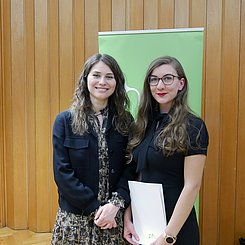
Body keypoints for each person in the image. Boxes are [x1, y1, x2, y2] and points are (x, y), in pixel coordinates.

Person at [123, 56, 209, 245]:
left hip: (176, 228)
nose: (160, 85)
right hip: (143, 227)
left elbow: (192, 186)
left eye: (167, 78)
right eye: (154, 79)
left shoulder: (194, 126)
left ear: (181, 83)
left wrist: (168, 236)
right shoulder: (142, 125)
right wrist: (128, 218)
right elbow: (138, 176)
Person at [51, 53, 133, 244]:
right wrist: (96, 208)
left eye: (109, 76)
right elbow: (62, 173)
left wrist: (115, 204)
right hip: (75, 221)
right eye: (96, 75)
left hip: (113, 218)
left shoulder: (126, 121)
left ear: (117, 82)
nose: (102, 82)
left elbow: (131, 166)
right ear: (85, 79)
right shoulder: (65, 121)